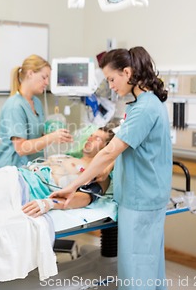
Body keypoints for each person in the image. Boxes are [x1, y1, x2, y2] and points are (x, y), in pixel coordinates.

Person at [50, 47, 172, 290]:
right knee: (149, 266)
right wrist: (108, 166)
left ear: (127, 72)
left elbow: (109, 151)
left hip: (141, 200)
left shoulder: (144, 108)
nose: (111, 86)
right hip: (146, 195)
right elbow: (132, 149)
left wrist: (74, 185)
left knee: (137, 271)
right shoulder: (144, 104)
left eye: (112, 79)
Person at [0, 54, 73, 168]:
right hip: (10, 170)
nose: (47, 82)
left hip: (31, 167)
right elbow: (21, 148)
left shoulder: (36, 102)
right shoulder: (14, 106)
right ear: (30, 74)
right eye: (44, 77)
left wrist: (56, 134)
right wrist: (51, 137)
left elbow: (36, 134)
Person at [21, 126, 115, 217]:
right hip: (21, 174)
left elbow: (86, 197)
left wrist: (49, 203)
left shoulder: (99, 174)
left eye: (97, 139)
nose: (90, 139)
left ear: (106, 147)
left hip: (28, 187)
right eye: (91, 136)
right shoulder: (69, 157)